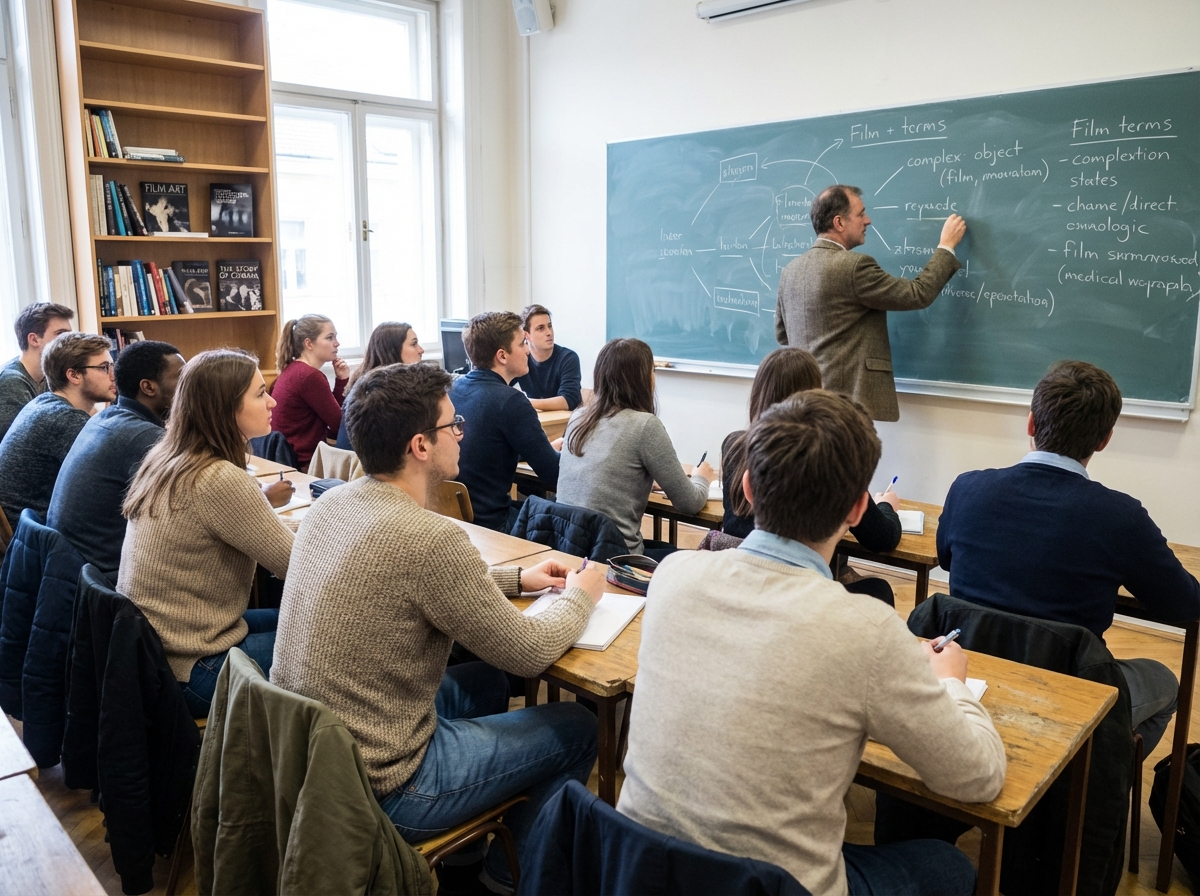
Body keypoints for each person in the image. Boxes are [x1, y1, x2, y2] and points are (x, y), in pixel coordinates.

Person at [618, 389, 1006, 896]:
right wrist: (951, 683)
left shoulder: (672, 574)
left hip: (641, 873)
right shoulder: (864, 628)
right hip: (770, 886)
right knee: (946, 866)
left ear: (748, 487)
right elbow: (978, 778)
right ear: (858, 508)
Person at [272, 362, 604, 893]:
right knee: (577, 727)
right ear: (420, 446)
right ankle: (501, 878)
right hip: (387, 788)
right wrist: (583, 596)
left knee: (485, 685)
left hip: (317, 764)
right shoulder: (429, 539)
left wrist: (517, 578)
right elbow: (530, 652)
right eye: (455, 426)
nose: (461, 435)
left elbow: (409, 578)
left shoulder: (333, 505)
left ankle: (463, 857)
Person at [938, 360, 1200, 754]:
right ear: (1104, 440)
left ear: (1030, 423)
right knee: (1165, 681)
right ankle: (1088, 790)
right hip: (1067, 689)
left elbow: (945, 559)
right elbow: (1185, 605)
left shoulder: (967, 488)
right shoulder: (1120, 517)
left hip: (970, 672)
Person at [119, 349, 296, 718]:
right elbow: (296, 565)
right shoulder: (218, 478)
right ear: (225, 407)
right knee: (339, 645)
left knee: (308, 618)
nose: (272, 400)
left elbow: (257, 531)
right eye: (260, 393)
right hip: (194, 668)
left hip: (163, 652)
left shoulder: (170, 457)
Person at [721, 346, 901, 603]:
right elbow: (882, 538)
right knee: (879, 590)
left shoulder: (734, 445)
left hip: (741, 577)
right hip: (802, 588)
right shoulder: (827, 458)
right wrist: (886, 507)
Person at [774, 184, 965, 422]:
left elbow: (782, 335)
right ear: (839, 223)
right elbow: (918, 294)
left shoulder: (790, 271)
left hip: (802, 401)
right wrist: (946, 246)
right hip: (845, 403)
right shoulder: (854, 266)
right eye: (860, 213)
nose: (868, 220)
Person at [557, 338, 712, 559]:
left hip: (568, 548)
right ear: (643, 378)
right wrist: (701, 477)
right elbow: (690, 503)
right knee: (696, 561)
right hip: (615, 557)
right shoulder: (645, 425)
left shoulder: (579, 416)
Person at [47, 341, 185, 577]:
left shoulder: (109, 417)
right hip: (110, 585)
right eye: (182, 378)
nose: (190, 386)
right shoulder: (143, 437)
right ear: (148, 387)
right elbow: (196, 509)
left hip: (79, 576)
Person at [449, 311, 562, 531]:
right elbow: (553, 474)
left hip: (455, 519)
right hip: (493, 526)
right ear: (502, 356)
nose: (528, 350)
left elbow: (486, 445)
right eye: (522, 344)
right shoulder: (512, 402)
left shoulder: (452, 389)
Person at [0, 332, 114, 529]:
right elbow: (112, 476)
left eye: (112, 366)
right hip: (33, 539)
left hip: (28, 530)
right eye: (104, 368)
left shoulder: (44, 402)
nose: (113, 375)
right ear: (74, 375)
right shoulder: (65, 419)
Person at [270, 314, 350, 469]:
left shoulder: (295, 369)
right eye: (329, 338)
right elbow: (338, 425)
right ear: (309, 343)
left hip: (288, 460)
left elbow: (333, 419)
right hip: (304, 464)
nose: (337, 343)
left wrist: (341, 380)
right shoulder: (309, 376)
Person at [335, 321, 424, 450]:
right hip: (365, 468)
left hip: (353, 466)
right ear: (393, 350)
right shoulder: (385, 394)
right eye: (414, 344)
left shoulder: (364, 382)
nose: (421, 350)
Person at [0, 302, 74, 440]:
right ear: (34, 339)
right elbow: (23, 443)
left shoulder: (49, 376)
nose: (70, 341)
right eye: (61, 334)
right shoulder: (11, 382)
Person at [513, 303, 583, 412]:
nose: (549, 333)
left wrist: (525, 402)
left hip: (563, 423)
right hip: (535, 419)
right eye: (540, 328)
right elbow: (500, 383)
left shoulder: (568, 358)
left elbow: (569, 400)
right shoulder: (522, 358)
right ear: (527, 335)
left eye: (549, 326)